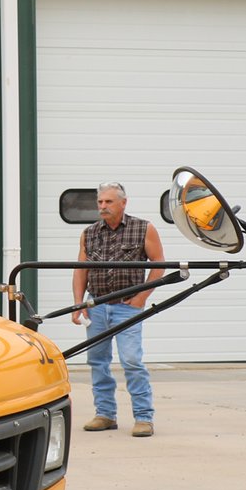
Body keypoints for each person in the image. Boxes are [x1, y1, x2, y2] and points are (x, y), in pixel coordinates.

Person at [72, 181, 166, 437]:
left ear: (123, 203)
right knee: (97, 362)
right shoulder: (89, 233)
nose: (103, 206)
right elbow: (81, 270)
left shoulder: (143, 228)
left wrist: (141, 297)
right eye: (100, 202)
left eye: (108, 202)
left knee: (132, 361)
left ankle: (144, 418)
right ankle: (105, 414)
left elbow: (159, 265)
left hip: (127, 308)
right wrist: (79, 304)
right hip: (97, 306)